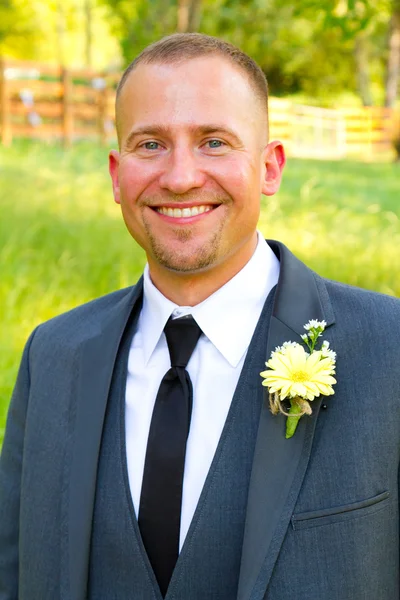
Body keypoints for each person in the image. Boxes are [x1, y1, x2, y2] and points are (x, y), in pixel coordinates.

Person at [0, 33, 399, 600]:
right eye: (150, 144)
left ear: (269, 167)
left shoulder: (390, 348)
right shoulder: (53, 355)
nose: (181, 176)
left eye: (214, 142)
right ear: (117, 174)